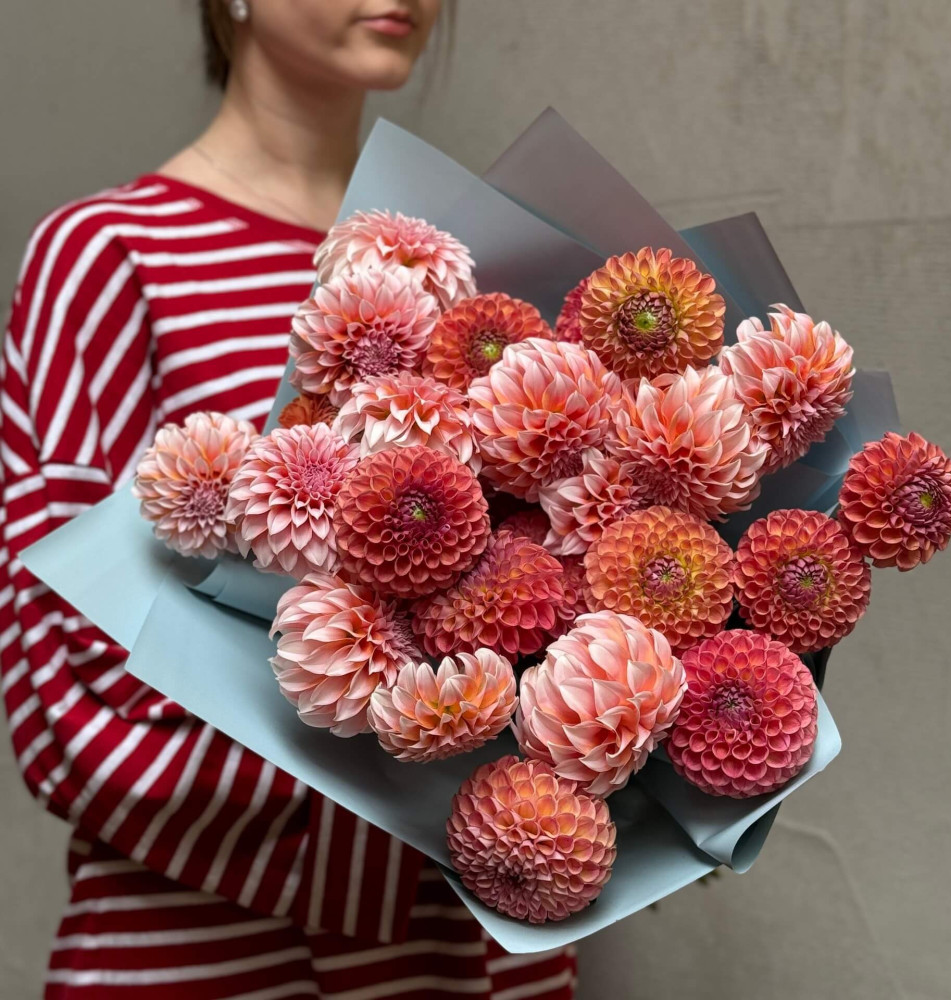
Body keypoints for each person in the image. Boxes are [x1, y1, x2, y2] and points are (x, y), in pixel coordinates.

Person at [0, 2, 576, 996]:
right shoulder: (109, 254)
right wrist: (395, 761)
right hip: (212, 950)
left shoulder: (475, 272)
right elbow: (60, 675)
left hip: (475, 950)